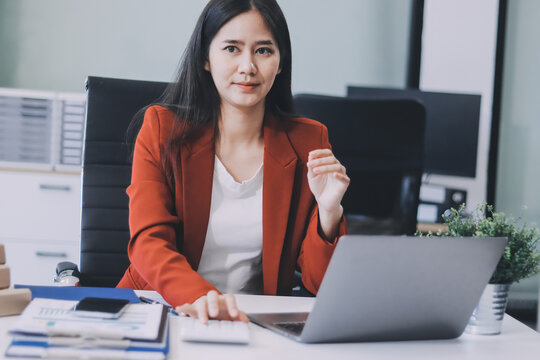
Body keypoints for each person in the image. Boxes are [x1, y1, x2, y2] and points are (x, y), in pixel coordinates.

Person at [117, 0, 350, 323]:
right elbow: (149, 243)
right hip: (161, 308)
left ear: (281, 62)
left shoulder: (307, 142)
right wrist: (204, 299)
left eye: (264, 51)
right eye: (231, 48)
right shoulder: (162, 129)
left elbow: (320, 283)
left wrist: (329, 211)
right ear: (206, 59)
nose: (248, 66)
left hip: (253, 321)